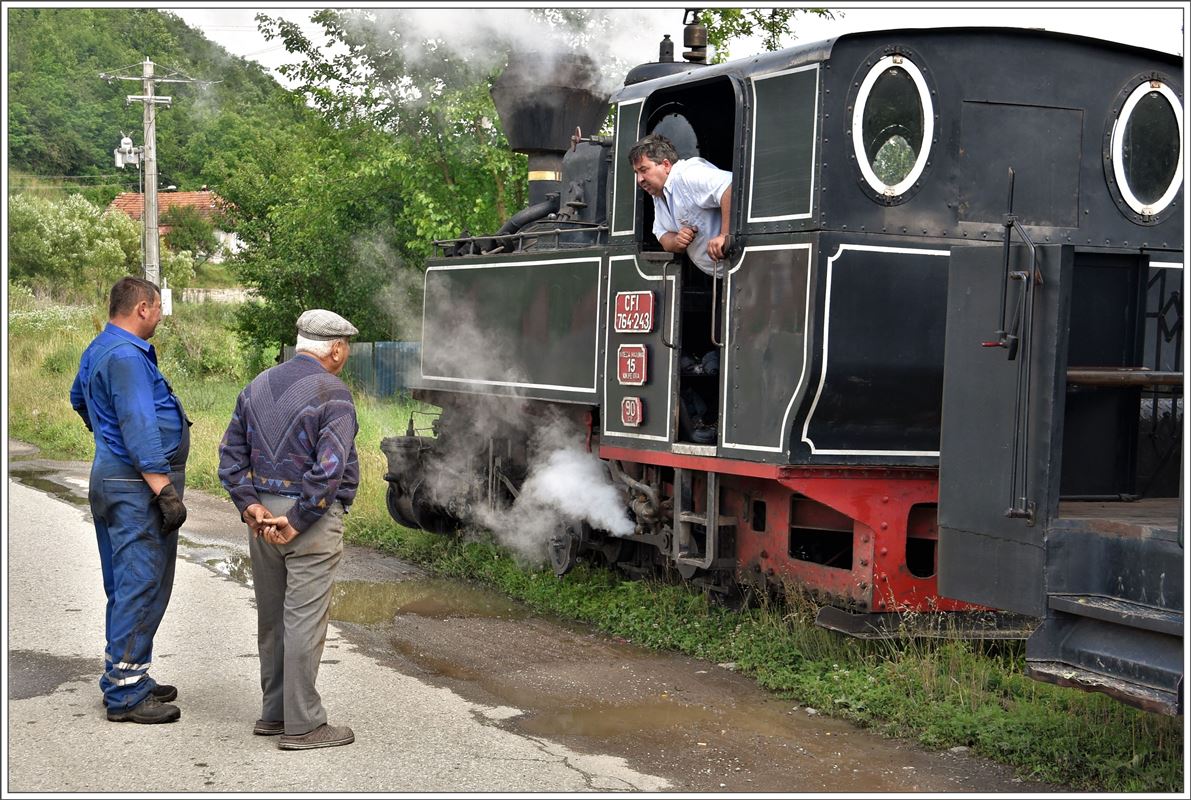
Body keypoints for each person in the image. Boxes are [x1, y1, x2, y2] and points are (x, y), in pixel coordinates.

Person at [218, 309, 361, 751]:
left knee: (273, 619)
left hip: (262, 521)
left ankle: (274, 713)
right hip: (309, 522)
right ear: (335, 349)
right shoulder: (333, 393)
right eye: (346, 347)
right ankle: (304, 726)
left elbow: (229, 457)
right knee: (304, 621)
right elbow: (329, 470)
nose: (346, 353)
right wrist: (297, 521)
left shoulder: (257, 385)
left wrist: (252, 506)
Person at [70, 276, 190, 724]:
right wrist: (163, 488)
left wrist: (106, 439)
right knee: (142, 584)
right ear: (142, 307)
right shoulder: (125, 356)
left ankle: (130, 672)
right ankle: (125, 693)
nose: (160, 316)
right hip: (136, 488)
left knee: (126, 584)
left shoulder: (100, 348)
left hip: (113, 478)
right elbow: (139, 424)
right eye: (158, 308)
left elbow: (78, 399)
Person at [629, 132, 733, 277]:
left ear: (665, 165)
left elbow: (730, 186)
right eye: (636, 173)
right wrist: (677, 240)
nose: (639, 179)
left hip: (738, 268)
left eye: (643, 170)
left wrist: (725, 235)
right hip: (718, 273)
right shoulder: (659, 194)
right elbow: (662, 234)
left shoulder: (687, 175)